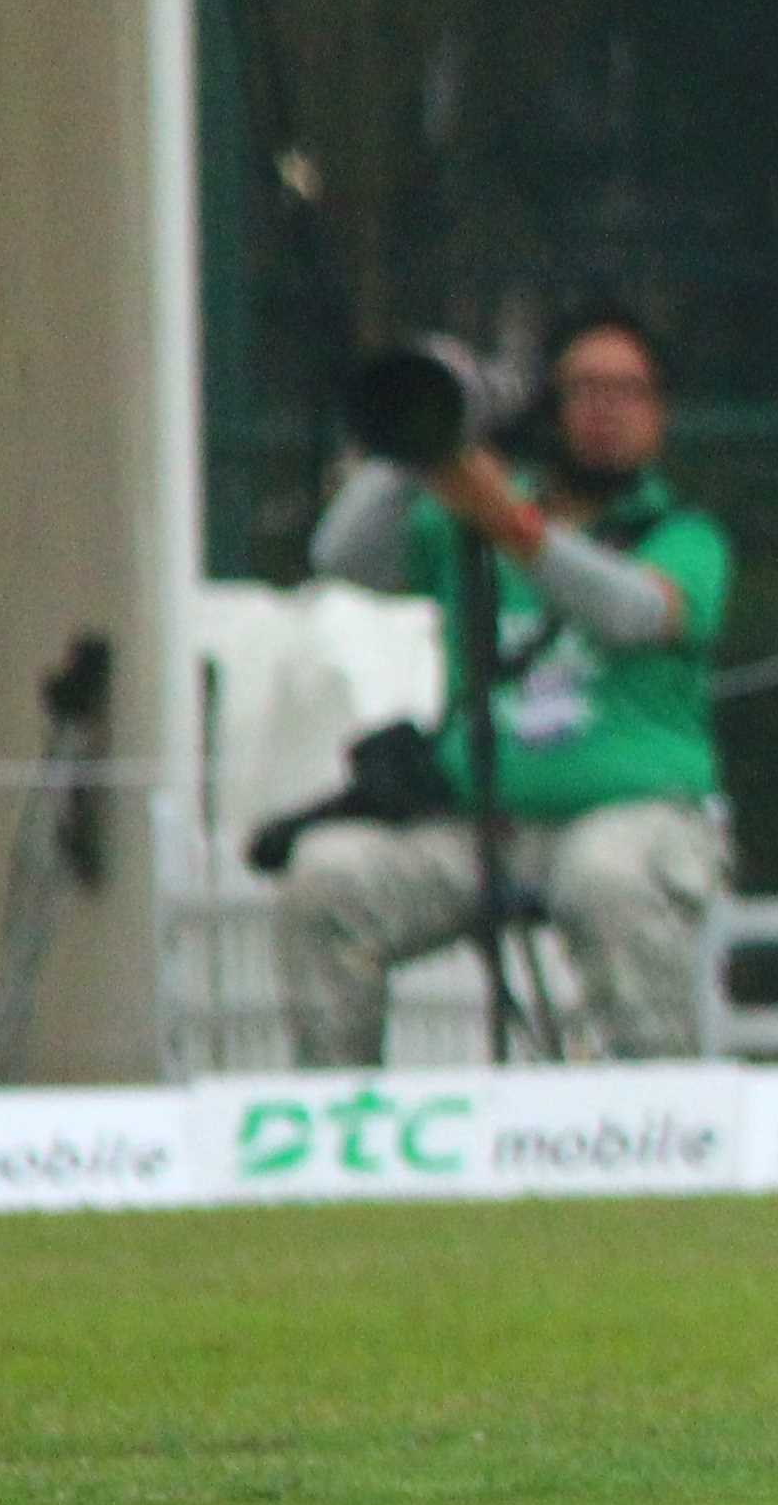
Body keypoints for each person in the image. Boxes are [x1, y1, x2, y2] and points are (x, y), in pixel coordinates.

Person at [278, 305, 732, 1062]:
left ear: (660, 414)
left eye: (627, 391)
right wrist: (420, 433)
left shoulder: (685, 537)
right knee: (328, 881)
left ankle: (663, 1110)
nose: (605, 412)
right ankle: (339, 1117)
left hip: (637, 820)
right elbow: (341, 555)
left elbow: (634, 612)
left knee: (605, 879)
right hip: (484, 825)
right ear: (549, 404)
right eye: (584, 390)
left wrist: (512, 523)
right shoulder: (470, 517)